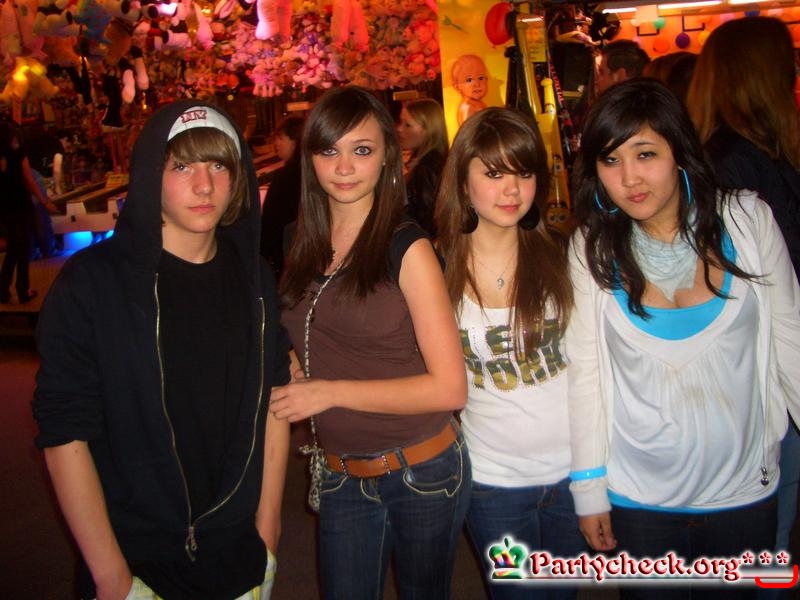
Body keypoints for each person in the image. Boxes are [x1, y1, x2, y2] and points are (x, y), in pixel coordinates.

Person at [33, 100, 291, 600]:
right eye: (182, 166)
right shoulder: (94, 283)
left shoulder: (252, 278)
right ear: (152, 173)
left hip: (237, 553)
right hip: (136, 560)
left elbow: (275, 397)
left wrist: (269, 529)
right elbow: (64, 430)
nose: (204, 185)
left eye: (219, 165)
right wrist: (112, 576)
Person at [567, 78, 800, 599]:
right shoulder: (591, 248)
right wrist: (589, 489)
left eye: (645, 154)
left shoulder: (747, 220)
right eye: (610, 160)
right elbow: (585, 375)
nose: (629, 178)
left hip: (743, 490)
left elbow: (792, 344)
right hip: (639, 497)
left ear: (678, 151)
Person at [272, 85, 470, 600]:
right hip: (339, 471)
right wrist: (299, 358)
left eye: (361, 150)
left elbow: (450, 389)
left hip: (420, 469)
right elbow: (316, 322)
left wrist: (328, 391)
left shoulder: (407, 247)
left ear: (387, 157)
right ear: (310, 158)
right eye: (329, 149)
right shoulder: (299, 240)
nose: (344, 167)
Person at [435, 107, 583, 600]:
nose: (513, 190)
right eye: (494, 174)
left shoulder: (564, 255)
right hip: (493, 483)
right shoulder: (434, 267)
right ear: (463, 181)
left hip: (574, 474)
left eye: (524, 173)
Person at [687, 16, 800, 589]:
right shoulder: (732, 164)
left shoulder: (759, 151)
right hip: (768, 366)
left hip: (777, 359)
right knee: (764, 539)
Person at [0, 121, 48, 304]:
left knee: (12, 249)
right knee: (23, 249)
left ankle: (3, 291)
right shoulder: (18, 154)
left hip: (4, 208)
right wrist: (44, 201)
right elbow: (30, 181)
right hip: (21, 205)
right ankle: (23, 290)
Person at [396, 98, 448, 237]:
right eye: (401, 122)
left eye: (408, 125)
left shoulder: (428, 167)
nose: (399, 129)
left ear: (428, 130)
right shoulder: (429, 161)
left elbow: (428, 222)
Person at [260, 115, 304, 278]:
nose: (276, 143)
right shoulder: (314, 172)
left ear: (295, 141)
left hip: (284, 260)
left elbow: (270, 224)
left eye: (280, 138)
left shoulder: (284, 178)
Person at [452, 54, 489, 126]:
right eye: (469, 80)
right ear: (457, 87)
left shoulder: (475, 104)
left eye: (481, 78)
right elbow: (471, 131)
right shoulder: (468, 108)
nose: (477, 84)